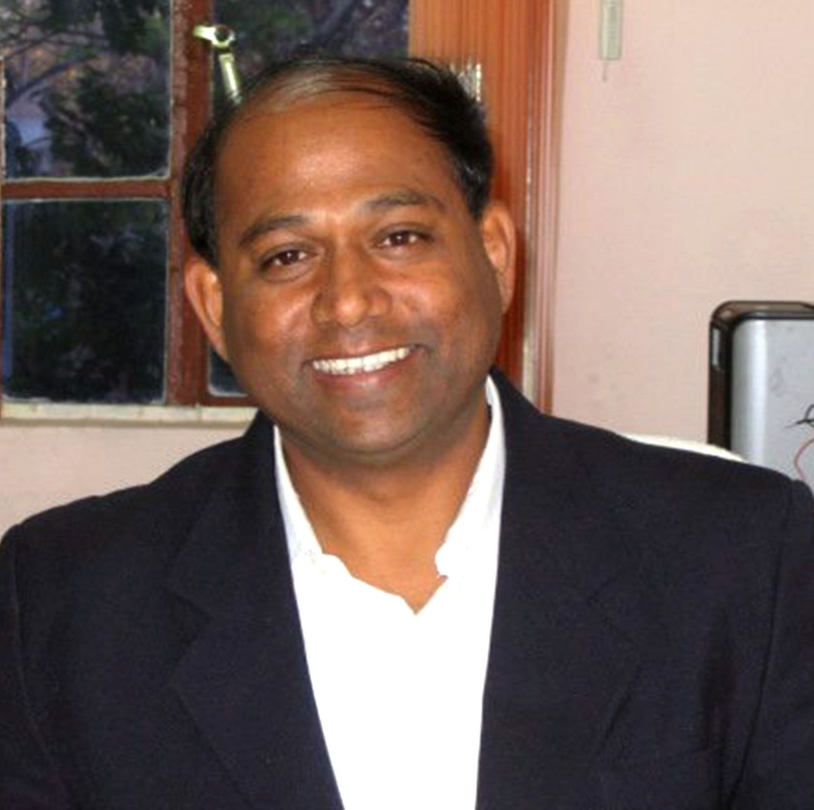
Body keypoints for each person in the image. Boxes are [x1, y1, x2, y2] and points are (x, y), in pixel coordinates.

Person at [1, 56, 812, 810]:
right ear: (214, 308)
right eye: (287, 256)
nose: (349, 300)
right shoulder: (61, 603)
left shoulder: (742, 556)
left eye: (399, 238)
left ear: (495, 254)